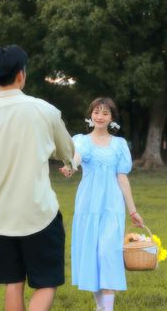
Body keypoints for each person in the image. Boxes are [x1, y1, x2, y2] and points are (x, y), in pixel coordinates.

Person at [0, 44, 75, 311]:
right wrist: (70, 165)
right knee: (45, 283)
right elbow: (67, 151)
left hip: (2, 218)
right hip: (40, 213)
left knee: (13, 281)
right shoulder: (45, 111)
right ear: (21, 74)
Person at [60, 97, 143, 311]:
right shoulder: (81, 140)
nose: (100, 116)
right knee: (93, 255)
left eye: (105, 113)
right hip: (88, 206)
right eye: (97, 112)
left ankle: (108, 309)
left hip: (112, 207)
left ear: (112, 118)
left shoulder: (120, 144)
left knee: (108, 253)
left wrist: (132, 210)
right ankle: (102, 308)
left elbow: (122, 177)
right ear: (91, 115)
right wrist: (70, 167)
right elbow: (76, 158)